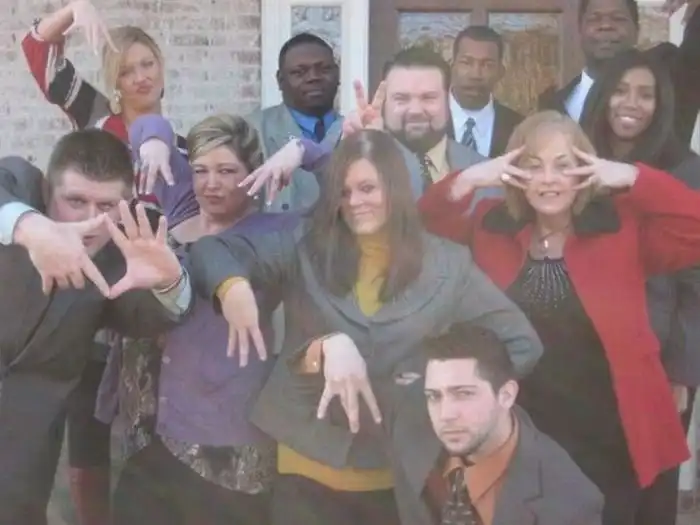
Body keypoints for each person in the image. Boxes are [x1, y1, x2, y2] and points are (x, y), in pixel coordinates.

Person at [187, 129, 542, 525]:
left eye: (368, 188)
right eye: (345, 191)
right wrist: (233, 288)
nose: (355, 202)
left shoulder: (448, 265)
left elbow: (520, 343)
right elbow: (212, 249)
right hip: (305, 466)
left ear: (396, 189)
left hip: (395, 474)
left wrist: (434, 385)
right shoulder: (305, 245)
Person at [418, 110, 700, 525]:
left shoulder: (620, 225)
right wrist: (472, 178)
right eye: (533, 166)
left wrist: (633, 177)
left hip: (612, 432)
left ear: (586, 169)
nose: (548, 179)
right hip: (523, 432)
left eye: (563, 165)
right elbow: (424, 227)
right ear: (514, 171)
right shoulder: (491, 224)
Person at [22, 3, 193, 520]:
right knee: (86, 431)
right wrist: (73, 10)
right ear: (112, 83)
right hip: (93, 302)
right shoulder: (98, 121)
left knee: (152, 431)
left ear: (162, 67)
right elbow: (38, 52)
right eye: (125, 70)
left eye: (147, 64)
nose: (139, 77)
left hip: (148, 312)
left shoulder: (187, 148)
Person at [0, 129, 191, 525]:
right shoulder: (19, 183)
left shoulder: (118, 257)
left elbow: (147, 317)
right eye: (75, 201)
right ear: (47, 189)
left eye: (105, 205)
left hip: (25, 453)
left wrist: (169, 283)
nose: (89, 219)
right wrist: (32, 229)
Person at [102, 114, 279, 525]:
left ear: (253, 172)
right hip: (148, 427)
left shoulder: (270, 235)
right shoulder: (180, 211)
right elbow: (146, 122)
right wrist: (155, 141)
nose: (211, 183)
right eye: (200, 170)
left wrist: (302, 152)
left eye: (227, 171)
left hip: (222, 436)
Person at [580, 48, 700, 520]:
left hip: (658, 361)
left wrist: (681, 371)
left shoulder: (686, 170)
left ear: (661, 104)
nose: (631, 103)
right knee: (592, 493)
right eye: (621, 90)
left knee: (649, 497)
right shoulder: (576, 159)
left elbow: (696, 281)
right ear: (602, 97)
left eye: (646, 95)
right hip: (583, 357)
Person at [388, 322, 603, 525]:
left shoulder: (569, 505)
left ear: (506, 395)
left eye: (464, 394)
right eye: (434, 396)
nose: (445, 415)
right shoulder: (410, 420)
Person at [538, 0, 700, 146]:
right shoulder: (553, 105)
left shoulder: (670, 79)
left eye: (618, 18)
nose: (606, 25)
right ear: (580, 30)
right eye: (594, 19)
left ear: (637, 30)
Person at [247, 32, 342, 213]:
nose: (313, 77)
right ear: (280, 81)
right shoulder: (250, 131)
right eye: (299, 72)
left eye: (324, 69)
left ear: (337, 75)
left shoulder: (356, 132)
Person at [448, 26, 524, 158]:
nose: (475, 75)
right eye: (466, 63)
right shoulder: (426, 121)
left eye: (487, 65)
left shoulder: (519, 127)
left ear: (501, 71)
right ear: (452, 66)